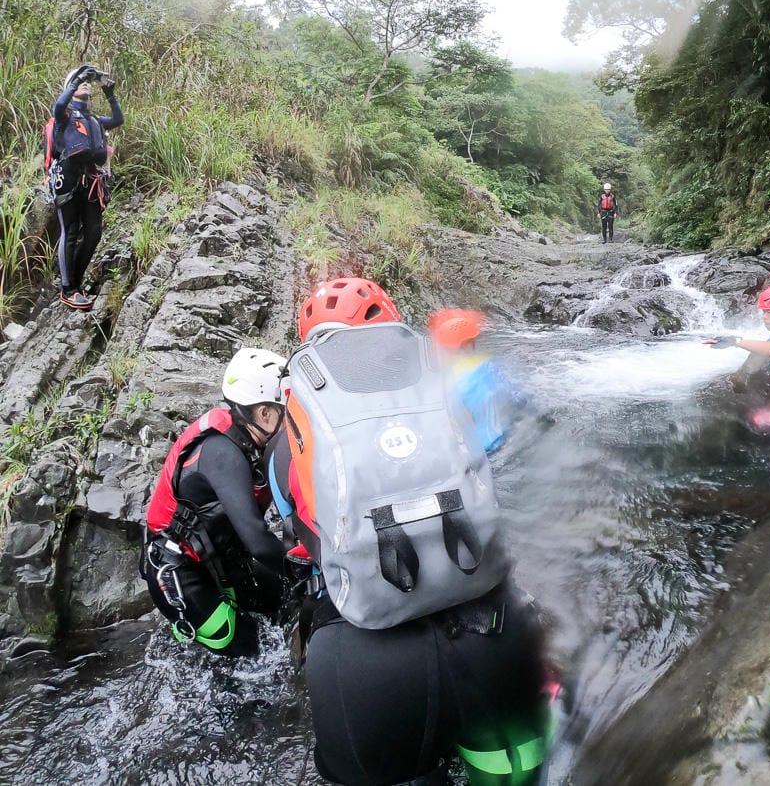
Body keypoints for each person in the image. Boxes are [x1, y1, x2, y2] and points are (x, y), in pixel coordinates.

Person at [268, 277, 553, 786]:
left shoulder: (294, 427)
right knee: (514, 775)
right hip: (492, 627)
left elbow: (295, 523)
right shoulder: (444, 387)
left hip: (365, 661)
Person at [141, 347, 290, 656]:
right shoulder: (222, 454)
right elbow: (259, 542)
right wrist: (309, 569)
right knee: (247, 648)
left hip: (219, 558)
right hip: (182, 573)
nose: (291, 418)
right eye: (284, 410)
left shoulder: (247, 437)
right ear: (264, 413)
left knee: (279, 601)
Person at [50, 63, 124, 310]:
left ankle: (77, 282)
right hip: (67, 180)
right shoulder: (65, 114)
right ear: (69, 87)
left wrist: (110, 93)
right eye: (78, 81)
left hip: (90, 181)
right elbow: (58, 106)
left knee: (93, 231)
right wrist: (76, 79)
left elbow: (118, 119)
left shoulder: (93, 119)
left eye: (86, 81)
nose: (85, 82)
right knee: (69, 232)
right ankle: (67, 289)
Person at [429, 308, 528, 454]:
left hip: (461, 450)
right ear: (468, 344)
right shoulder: (486, 367)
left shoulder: (439, 375)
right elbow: (517, 399)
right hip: (494, 444)